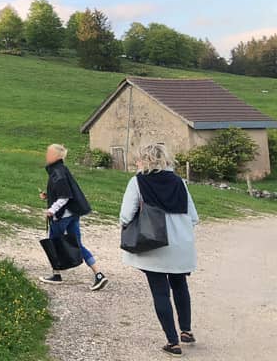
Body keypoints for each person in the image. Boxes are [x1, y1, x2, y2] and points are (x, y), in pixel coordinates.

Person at [120, 143, 199, 357]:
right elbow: (194, 217)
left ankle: (172, 342)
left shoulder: (138, 181)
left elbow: (126, 215)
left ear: (144, 159)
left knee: (160, 291)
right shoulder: (179, 182)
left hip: (153, 242)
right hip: (180, 244)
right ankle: (186, 330)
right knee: (180, 285)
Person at [39, 143, 109, 290]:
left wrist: (51, 210)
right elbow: (62, 192)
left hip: (62, 216)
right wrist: (48, 196)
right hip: (73, 213)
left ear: (56, 156)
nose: (46, 155)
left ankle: (56, 274)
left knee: (53, 243)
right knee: (77, 243)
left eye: (49, 153)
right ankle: (98, 274)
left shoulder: (57, 172)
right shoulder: (60, 170)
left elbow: (65, 196)